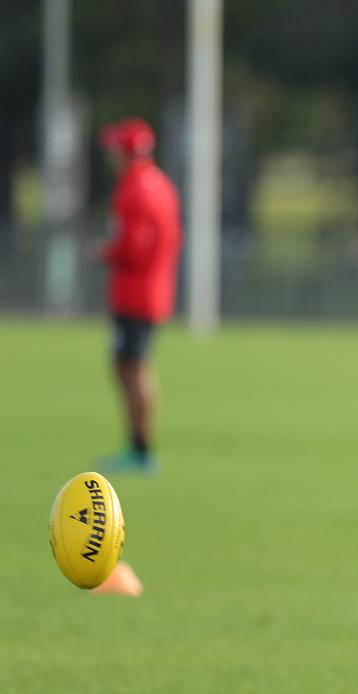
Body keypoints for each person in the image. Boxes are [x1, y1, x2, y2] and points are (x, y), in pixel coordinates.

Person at [97, 118, 182, 475]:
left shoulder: (136, 188)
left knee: (133, 368)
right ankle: (138, 446)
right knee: (129, 366)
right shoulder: (158, 183)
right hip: (149, 291)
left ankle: (140, 448)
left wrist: (105, 253)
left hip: (136, 294)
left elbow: (136, 245)